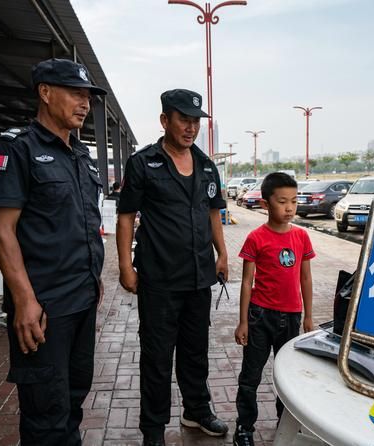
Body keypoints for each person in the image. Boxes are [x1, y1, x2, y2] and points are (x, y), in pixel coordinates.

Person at [0, 58, 107, 445]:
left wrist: (94, 280)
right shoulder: (16, 150)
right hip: (44, 307)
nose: (84, 103)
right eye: (75, 93)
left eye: (87, 96)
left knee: (72, 397)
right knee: (45, 411)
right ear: (46, 93)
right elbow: (3, 232)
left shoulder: (80, 156)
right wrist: (24, 302)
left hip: (82, 299)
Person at [116, 88, 229, 446]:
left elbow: (214, 212)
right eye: (184, 119)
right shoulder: (144, 163)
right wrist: (124, 266)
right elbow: (126, 217)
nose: (191, 127)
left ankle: (196, 410)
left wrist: (222, 254)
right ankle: (153, 430)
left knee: (195, 351)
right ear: (165, 120)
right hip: (159, 279)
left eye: (196, 121)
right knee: (157, 357)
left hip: (199, 278)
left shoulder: (207, 165)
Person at [233, 172, 315, 446]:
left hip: (292, 316)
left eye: (294, 201)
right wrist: (243, 321)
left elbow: (305, 278)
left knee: (287, 376)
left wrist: (309, 317)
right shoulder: (256, 238)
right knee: (251, 376)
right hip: (260, 315)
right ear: (266, 203)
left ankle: (285, 425)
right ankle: (244, 427)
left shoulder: (302, 237)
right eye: (282, 202)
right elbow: (247, 283)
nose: (290, 208)